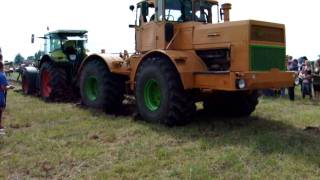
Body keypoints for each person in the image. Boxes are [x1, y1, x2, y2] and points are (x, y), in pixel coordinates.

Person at [0, 61, 14, 135]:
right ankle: (0, 130)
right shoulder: (2, 75)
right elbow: (3, 87)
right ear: (2, 67)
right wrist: (10, 86)